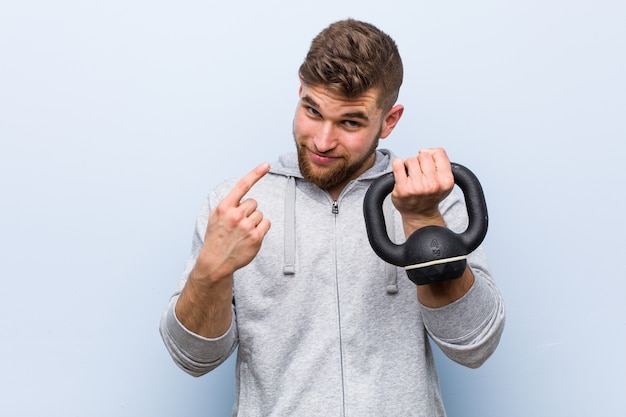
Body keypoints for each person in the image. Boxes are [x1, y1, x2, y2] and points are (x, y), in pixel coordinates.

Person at [160, 18, 505, 416]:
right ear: (300, 91)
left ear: (389, 121)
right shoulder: (235, 206)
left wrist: (422, 219)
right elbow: (192, 359)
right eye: (312, 110)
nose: (322, 141)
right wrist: (209, 273)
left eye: (350, 122)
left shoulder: (430, 196)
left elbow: (474, 345)